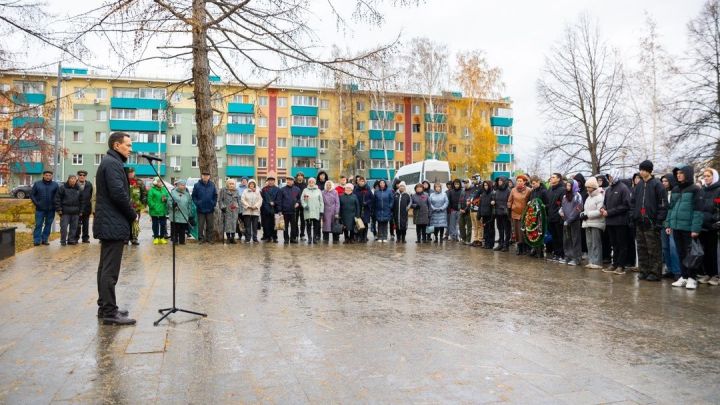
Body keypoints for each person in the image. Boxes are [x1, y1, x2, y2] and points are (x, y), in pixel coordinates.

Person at [94, 132, 137, 325]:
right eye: (127, 145)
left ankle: (105, 308)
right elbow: (118, 193)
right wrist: (132, 214)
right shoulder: (112, 164)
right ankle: (109, 312)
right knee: (110, 271)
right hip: (112, 222)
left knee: (105, 268)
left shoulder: (112, 162)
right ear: (117, 145)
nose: (130, 148)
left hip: (110, 222)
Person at [667, 166, 704, 290]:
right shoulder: (676, 189)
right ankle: (683, 276)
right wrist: (668, 224)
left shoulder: (695, 189)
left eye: (681, 173)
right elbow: (671, 208)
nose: (678, 175)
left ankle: (692, 278)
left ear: (688, 174)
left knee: (691, 254)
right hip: (676, 226)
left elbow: (698, 211)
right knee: (680, 252)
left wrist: (695, 228)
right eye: (677, 173)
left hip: (688, 227)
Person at [630, 160, 668, 282]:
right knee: (641, 248)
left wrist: (659, 221)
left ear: (649, 171)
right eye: (640, 169)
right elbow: (633, 203)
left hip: (651, 222)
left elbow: (663, 205)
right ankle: (644, 270)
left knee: (653, 248)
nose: (641, 172)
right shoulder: (639, 185)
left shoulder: (657, 185)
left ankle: (655, 272)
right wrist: (632, 217)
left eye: (644, 170)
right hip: (639, 221)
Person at [601, 171, 632, 275]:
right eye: (608, 177)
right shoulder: (609, 189)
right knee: (614, 244)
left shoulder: (623, 188)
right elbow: (605, 203)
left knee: (621, 244)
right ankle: (614, 263)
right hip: (610, 221)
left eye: (610, 176)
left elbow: (626, 205)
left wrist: (609, 212)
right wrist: (603, 208)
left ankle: (621, 265)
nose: (609, 178)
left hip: (620, 221)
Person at [698, 167, 720, 285]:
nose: (706, 178)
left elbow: (718, 207)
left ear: (714, 176)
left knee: (713, 252)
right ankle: (707, 274)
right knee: (704, 251)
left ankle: (715, 275)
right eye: (704, 176)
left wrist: (715, 220)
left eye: (708, 176)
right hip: (702, 225)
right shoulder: (703, 190)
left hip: (712, 226)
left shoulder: (718, 190)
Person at [580, 177, 605, 269]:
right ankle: (591, 260)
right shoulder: (588, 198)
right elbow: (585, 209)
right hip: (588, 223)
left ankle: (597, 262)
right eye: (586, 187)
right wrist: (582, 214)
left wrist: (588, 215)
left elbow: (600, 211)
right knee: (589, 243)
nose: (587, 189)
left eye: (589, 187)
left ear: (594, 187)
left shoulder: (599, 197)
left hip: (596, 223)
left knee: (596, 243)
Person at [660, 174, 681, 279]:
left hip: (672, 223)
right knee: (665, 247)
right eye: (662, 181)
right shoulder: (662, 193)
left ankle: (677, 271)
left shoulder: (676, 192)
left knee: (674, 247)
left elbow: (672, 209)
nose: (664, 183)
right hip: (663, 222)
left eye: (666, 181)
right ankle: (670, 269)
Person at [30, 170, 59, 246]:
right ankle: (37, 240)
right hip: (40, 209)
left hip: (51, 209)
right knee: (38, 224)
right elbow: (32, 195)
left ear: (51, 176)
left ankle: (44, 239)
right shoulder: (37, 184)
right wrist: (37, 203)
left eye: (49, 175)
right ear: (43, 176)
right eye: (46, 175)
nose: (48, 177)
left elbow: (57, 197)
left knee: (48, 224)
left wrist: (55, 206)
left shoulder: (55, 185)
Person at [559, 179, 583, 266]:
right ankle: (568, 256)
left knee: (575, 239)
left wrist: (570, 219)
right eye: (567, 185)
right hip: (565, 221)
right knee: (566, 240)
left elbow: (578, 209)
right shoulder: (565, 196)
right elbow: (563, 206)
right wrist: (561, 211)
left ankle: (576, 258)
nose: (568, 187)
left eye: (570, 185)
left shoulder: (577, 196)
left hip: (574, 221)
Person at [192, 172, 218, 244]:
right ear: (202, 176)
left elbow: (215, 195)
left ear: (209, 177)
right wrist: (197, 203)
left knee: (210, 225)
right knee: (200, 225)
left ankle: (209, 238)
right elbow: (193, 196)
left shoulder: (212, 185)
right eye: (204, 175)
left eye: (207, 176)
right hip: (200, 209)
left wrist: (213, 203)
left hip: (210, 208)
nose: (205, 177)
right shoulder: (197, 185)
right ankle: (201, 239)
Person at [508, 174, 532, 255]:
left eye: (520, 181)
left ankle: (526, 247)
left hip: (525, 214)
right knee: (517, 231)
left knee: (524, 231)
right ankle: (519, 247)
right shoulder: (513, 190)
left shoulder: (529, 190)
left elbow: (530, 201)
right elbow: (510, 200)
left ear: (524, 182)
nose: (519, 182)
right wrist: (509, 208)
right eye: (518, 181)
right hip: (515, 213)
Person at [55, 174, 81, 246]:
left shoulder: (78, 189)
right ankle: (63, 240)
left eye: (74, 179)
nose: (72, 180)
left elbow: (82, 200)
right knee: (64, 227)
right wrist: (59, 209)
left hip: (75, 212)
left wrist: (81, 210)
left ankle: (71, 240)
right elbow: (57, 199)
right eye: (71, 179)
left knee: (74, 227)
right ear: (68, 179)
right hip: (65, 211)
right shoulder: (62, 188)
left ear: (76, 180)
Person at [528, 176, 549, 258]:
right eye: (531, 184)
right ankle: (535, 249)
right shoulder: (533, 191)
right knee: (534, 232)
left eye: (534, 183)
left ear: (538, 182)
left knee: (540, 233)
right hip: (534, 215)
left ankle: (540, 251)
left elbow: (548, 203)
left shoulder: (544, 191)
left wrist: (542, 206)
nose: (532, 185)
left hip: (541, 215)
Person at [276, 175, 301, 244]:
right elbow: (279, 200)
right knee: (285, 226)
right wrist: (280, 210)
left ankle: (293, 238)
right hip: (285, 211)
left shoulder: (297, 189)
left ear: (293, 181)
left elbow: (299, 199)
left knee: (293, 226)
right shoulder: (282, 189)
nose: (288, 181)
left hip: (294, 211)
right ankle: (286, 239)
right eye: (287, 180)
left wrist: (298, 203)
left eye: (290, 180)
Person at [168, 179, 194, 245]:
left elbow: (190, 203)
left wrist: (189, 211)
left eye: (184, 185)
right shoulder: (173, 192)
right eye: (182, 185)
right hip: (175, 214)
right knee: (175, 228)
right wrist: (173, 206)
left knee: (182, 228)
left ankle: (182, 241)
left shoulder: (187, 194)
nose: (184, 186)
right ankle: (175, 240)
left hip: (184, 214)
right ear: (178, 185)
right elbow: (169, 201)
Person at [547, 173, 566, 261]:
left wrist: (557, 213)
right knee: (554, 237)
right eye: (551, 177)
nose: (551, 178)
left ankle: (561, 254)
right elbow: (548, 203)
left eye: (553, 177)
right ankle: (556, 253)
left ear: (558, 179)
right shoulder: (550, 189)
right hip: (550, 217)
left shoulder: (562, 189)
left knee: (560, 237)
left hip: (558, 218)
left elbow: (562, 204)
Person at [126, 167, 146, 246]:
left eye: (132, 172)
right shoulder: (124, 181)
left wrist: (143, 203)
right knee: (126, 222)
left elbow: (144, 193)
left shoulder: (139, 182)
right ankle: (126, 238)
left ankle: (134, 238)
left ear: (134, 172)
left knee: (135, 222)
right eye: (129, 172)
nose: (130, 174)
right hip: (126, 206)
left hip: (136, 206)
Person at [301, 177, 324, 244]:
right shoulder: (305, 190)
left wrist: (321, 211)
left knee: (316, 226)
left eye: (312, 182)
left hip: (316, 211)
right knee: (308, 225)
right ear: (308, 183)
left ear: (315, 182)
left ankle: (314, 238)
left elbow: (321, 201)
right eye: (310, 182)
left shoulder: (318, 190)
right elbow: (302, 199)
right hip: (308, 211)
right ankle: (309, 239)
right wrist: (305, 206)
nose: (311, 183)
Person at [147, 177, 170, 245]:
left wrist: (166, 199)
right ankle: (156, 238)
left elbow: (168, 197)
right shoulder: (152, 190)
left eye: (161, 182)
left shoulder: (164, 189)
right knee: (155, 225)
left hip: (163, 211)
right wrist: (154, 207)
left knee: (163, 224)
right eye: (159, 182)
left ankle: (162, 237)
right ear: (155, 183)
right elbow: (149, 200)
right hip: (154, 211)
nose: (161, 183)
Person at [491, 176, 511, 251]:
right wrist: (493, 202)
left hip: (505, 214)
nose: (499, 181)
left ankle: (506, 245)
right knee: (500, 229)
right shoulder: (497, 190)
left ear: (504, 181)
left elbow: (510, 202)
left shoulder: (508, 191)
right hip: (498, 213)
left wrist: (505, 208)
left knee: (507, 229)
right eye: (498, 180)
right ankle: (501, 243)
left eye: (501, 180)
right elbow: (495, 199)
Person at [219, 178, 241, 244]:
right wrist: (222, 207)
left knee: (234, 224)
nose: (231, 185)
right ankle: (228, 238)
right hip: (227, 210)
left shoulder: (236, 191)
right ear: (227, 184)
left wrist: (239, 209)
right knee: (227, 224)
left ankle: (233, 238)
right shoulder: (223, 190)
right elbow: (220, 200)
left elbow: (239, 200)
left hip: (235, 210)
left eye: (233, 184)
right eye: (230, 184)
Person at [75, 170, 93, 243]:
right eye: (80, 175)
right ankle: (75, 238)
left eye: (83, 175)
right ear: (78, 176)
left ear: (85, 176)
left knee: (86, 224)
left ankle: (85, 238)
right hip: (77, 208)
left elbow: (91, 195)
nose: (82, 176)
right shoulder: (74, 184)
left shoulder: (89, 184)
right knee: (77, 224)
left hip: (86, 208)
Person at [353, 176, 373, 242]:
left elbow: (372, 199)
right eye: (360, 181)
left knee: (365, 223)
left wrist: (367, 203)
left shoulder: (368, 189)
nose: (361, 182)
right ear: (358, 182)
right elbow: (354, 198)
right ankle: (360, 237)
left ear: (364, 182)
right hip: (358, 209)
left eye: (362, 181)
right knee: (359, 223)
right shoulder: (355, 189)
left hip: (366, 209)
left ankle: (364, 237)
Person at [260, 176, 279, 242]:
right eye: (269, 180)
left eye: (272, 180)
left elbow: (279, 199)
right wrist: (266, 206)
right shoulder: (264, 189)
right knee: (266, 224)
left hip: (274, 209)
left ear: (274, 181)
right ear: (267, 181)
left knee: (274, 224)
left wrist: (275, 203)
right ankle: (268, 237)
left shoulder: (277, 189)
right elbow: (262, 199)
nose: (270, 182)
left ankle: (275, 237)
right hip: (265, 209)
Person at [478, 180, 495, 249]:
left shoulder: (492, 193)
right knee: (485, 230)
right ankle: (486, 243)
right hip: (484, 214)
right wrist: (479, 214)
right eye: (484, 185)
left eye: (487, 185)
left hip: (490, 215)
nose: (485, 187)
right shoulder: (483, 194)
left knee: (490, 229)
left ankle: (490, 244)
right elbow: (480, 205)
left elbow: (494, 205)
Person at [458, 179, 473, 245]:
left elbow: (471, 202)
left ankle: (468, 240)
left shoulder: (472, 191)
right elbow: (459, 201)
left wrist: (465, 209)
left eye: (467, 183)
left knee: (469, 227)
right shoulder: (462, 191)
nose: (465, 184)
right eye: (464, 183)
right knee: (461, 226)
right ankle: (463, 239)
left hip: (468, 211)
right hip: (461, 211)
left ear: (469, 183)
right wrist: (460, 208)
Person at [469, 178, 483, 246]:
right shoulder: (472, 188)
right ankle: (475, 239)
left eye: (475, 179)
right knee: (474, 226)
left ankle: (480, 240)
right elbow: (470, 197)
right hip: (471, 208)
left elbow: (481, 197)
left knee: (479, 225)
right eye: (473, 179)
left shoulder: (481, 187)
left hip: (478, 209)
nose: (473, 181)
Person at [294, 172, 308, 240]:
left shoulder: (305, 185)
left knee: (303, 221)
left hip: (303, 205)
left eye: (301, 175)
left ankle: (302, 235)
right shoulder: (294, 184)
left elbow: (307, 194)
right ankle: (296, 234)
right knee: (295, 220)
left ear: (303, 177)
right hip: (296, 204)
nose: (300, 177)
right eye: (298, 176)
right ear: (297, 177)